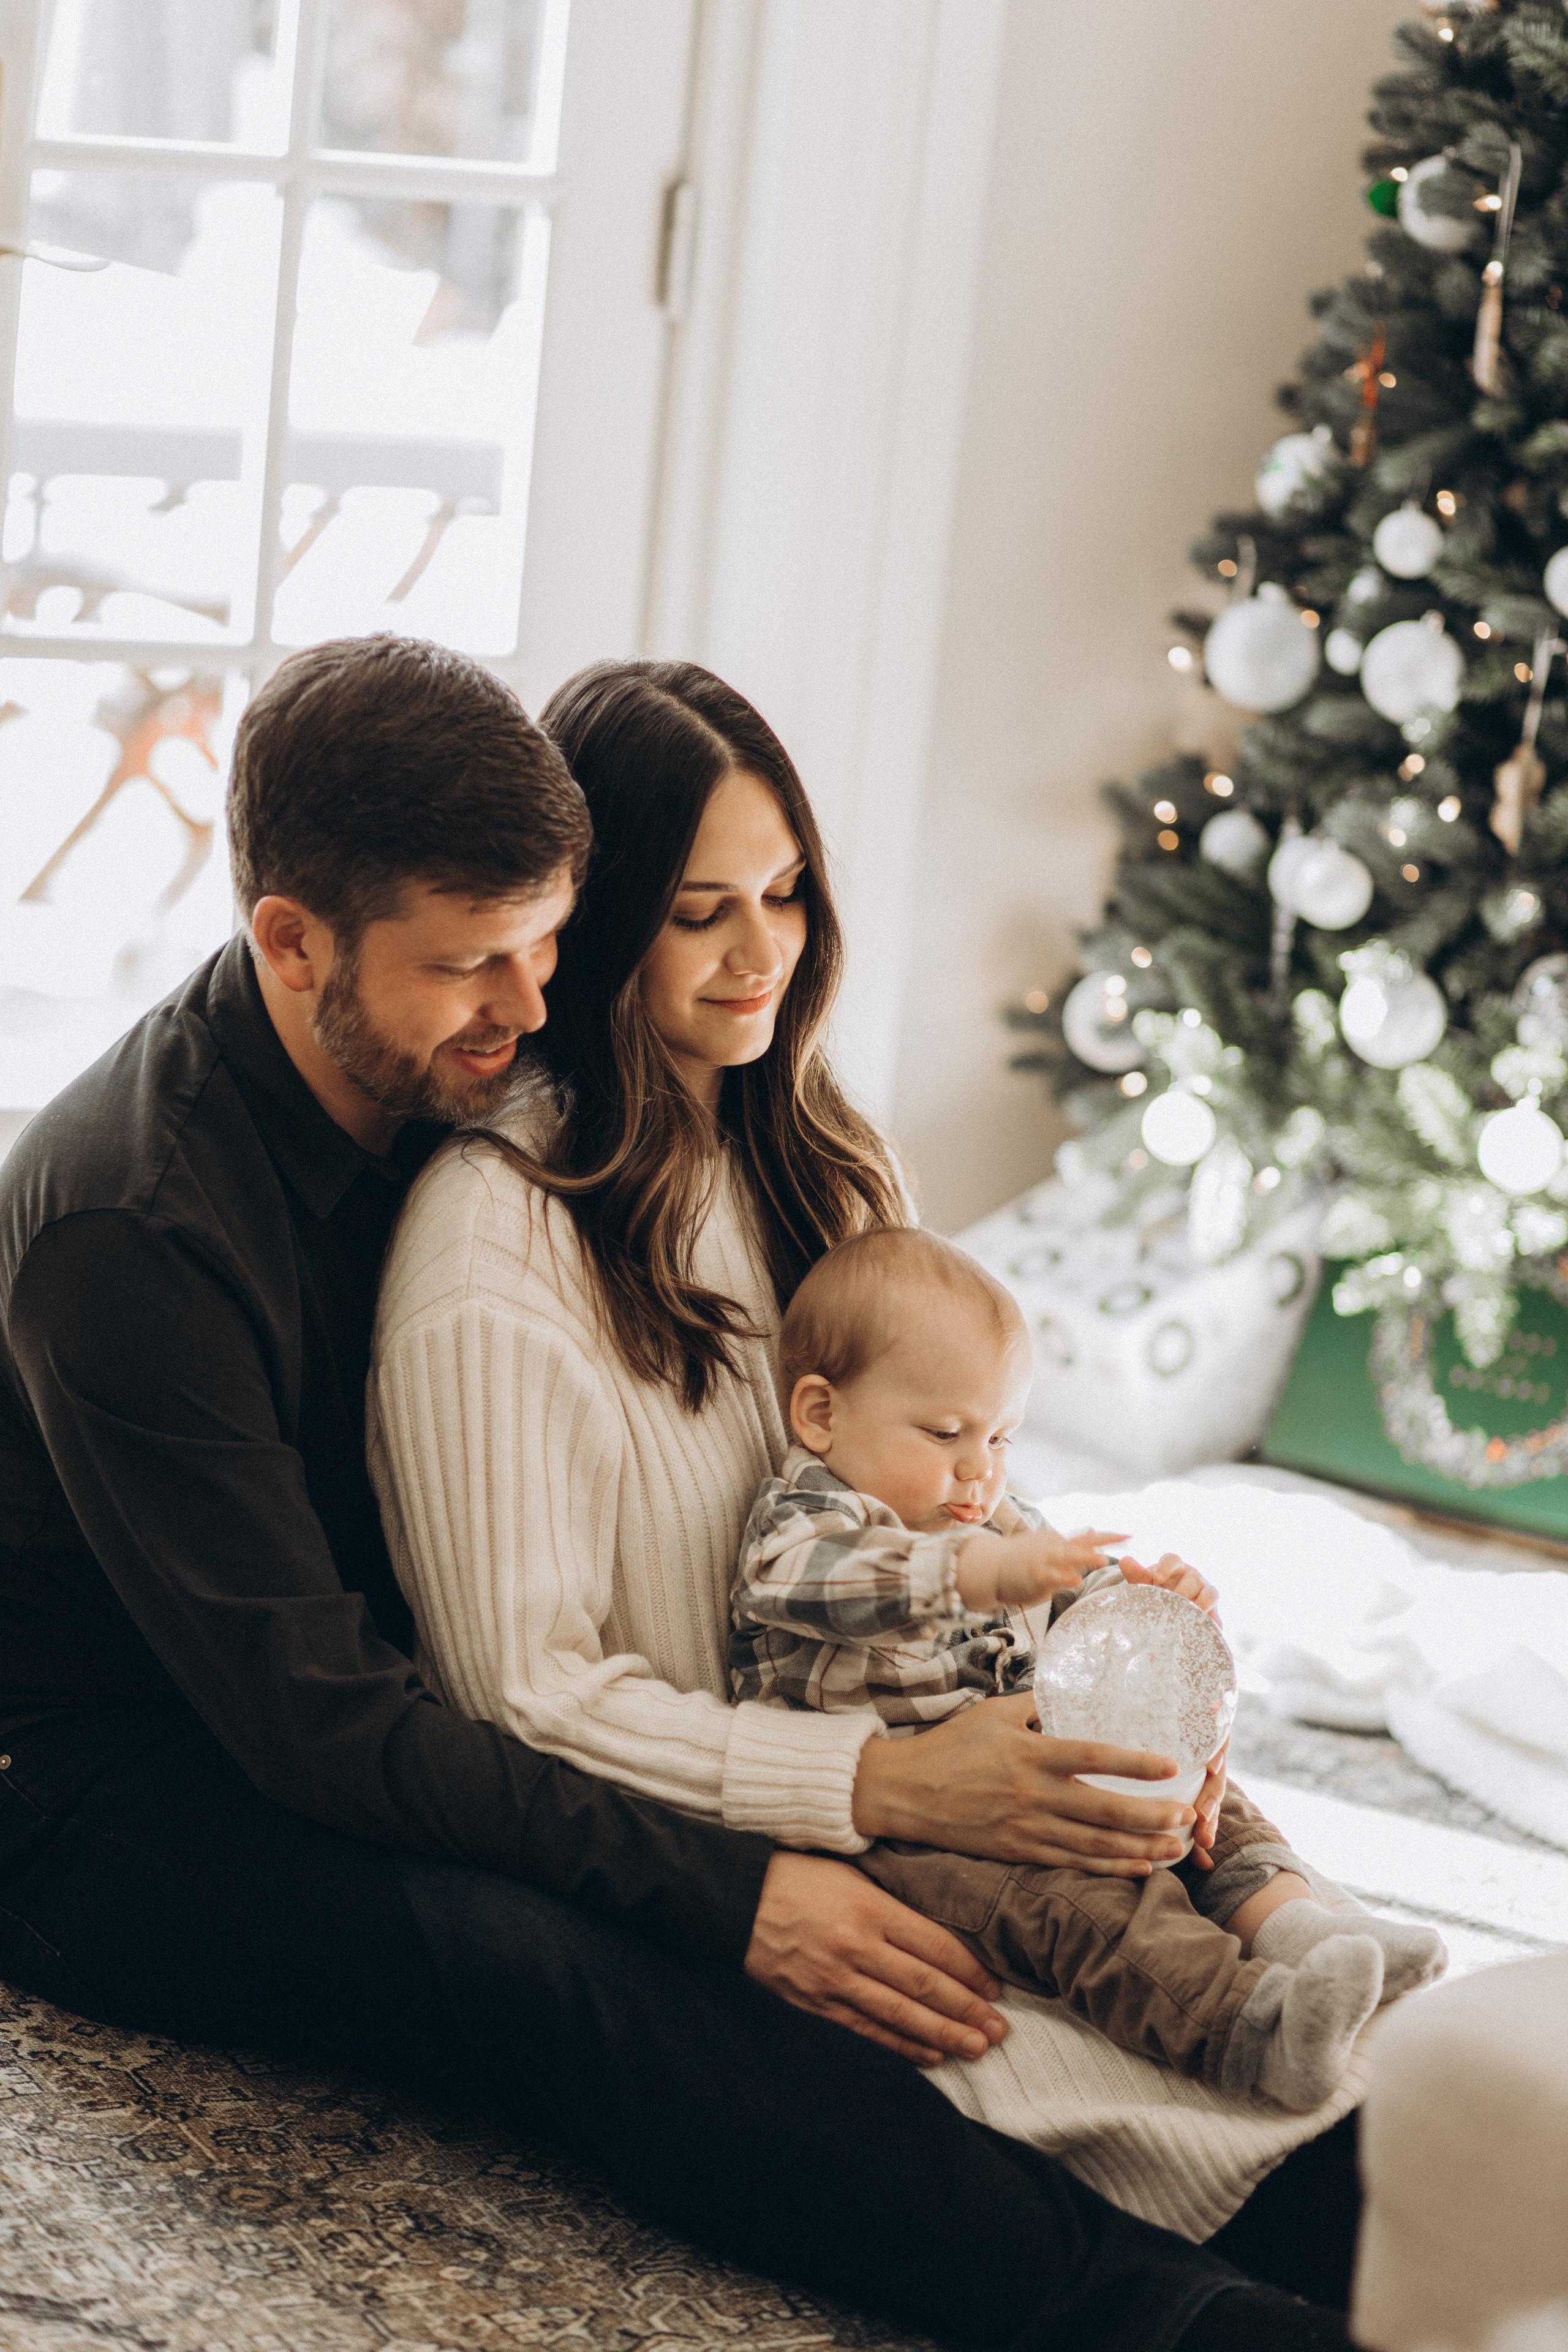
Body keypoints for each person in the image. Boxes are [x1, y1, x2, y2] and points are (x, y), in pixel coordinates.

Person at [0, 632, 1349, 2352]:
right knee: (555, 1962)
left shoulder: (455, 1077)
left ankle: (1353, 2180)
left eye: (552, 939)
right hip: (102, 1777)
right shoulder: (135, 1228)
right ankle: (1150, 2318)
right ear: (288, 943)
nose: (532, 998)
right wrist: (747, 1884)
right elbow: (319, 1732)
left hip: (356, 1678)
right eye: (474, 962)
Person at [730, 1224, 1446, 2107]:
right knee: (1082, 1906)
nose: (978, 1473)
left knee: (1196, 1794)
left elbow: (1079, 1594)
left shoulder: (987, 1520)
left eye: (1001, 1440)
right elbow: (824, 1588)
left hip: (1026, 1761)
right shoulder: (804, 1528)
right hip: (906, 1840)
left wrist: (1156, 1598)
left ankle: (1295, 1927)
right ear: (821, 1414)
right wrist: (977, 1572)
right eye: (948, 1432)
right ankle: (1250, 2029)